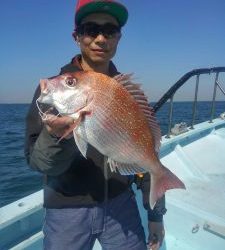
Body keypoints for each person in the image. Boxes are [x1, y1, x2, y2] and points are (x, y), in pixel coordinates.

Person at [25, 0, 166, 249]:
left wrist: (155, 215)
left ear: (118, 38)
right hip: (66, 209)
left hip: (121, 202)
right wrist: (58, 137)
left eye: (110, 31)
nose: (101, 38)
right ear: (77, 36)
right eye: (91, 29)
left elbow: (145, 150)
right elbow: (38, 162)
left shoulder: (127, 95)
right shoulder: (53, 91)